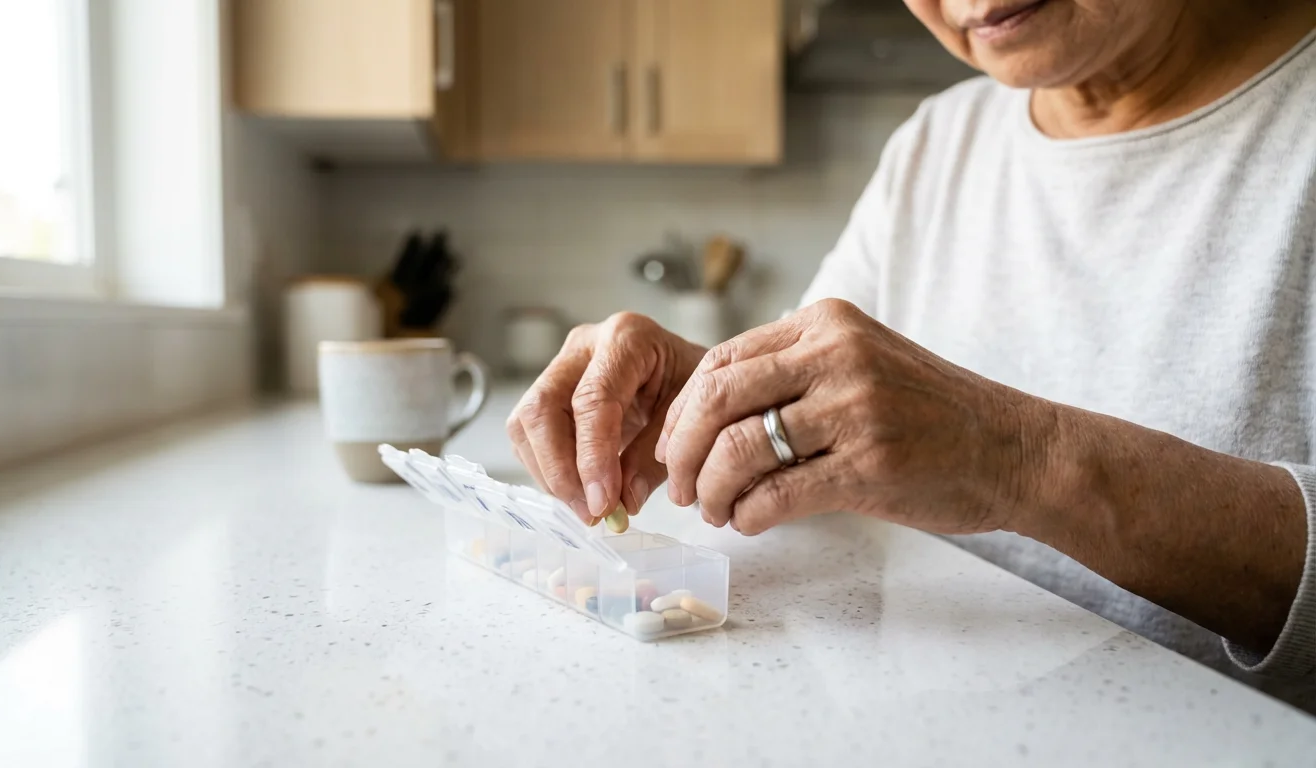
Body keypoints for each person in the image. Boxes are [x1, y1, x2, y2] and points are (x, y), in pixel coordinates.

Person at [506, 0, 1316, 710]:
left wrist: (1017, 458)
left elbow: (962, 435)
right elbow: (829, 415)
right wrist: (711, 394)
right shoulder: (943, 138)